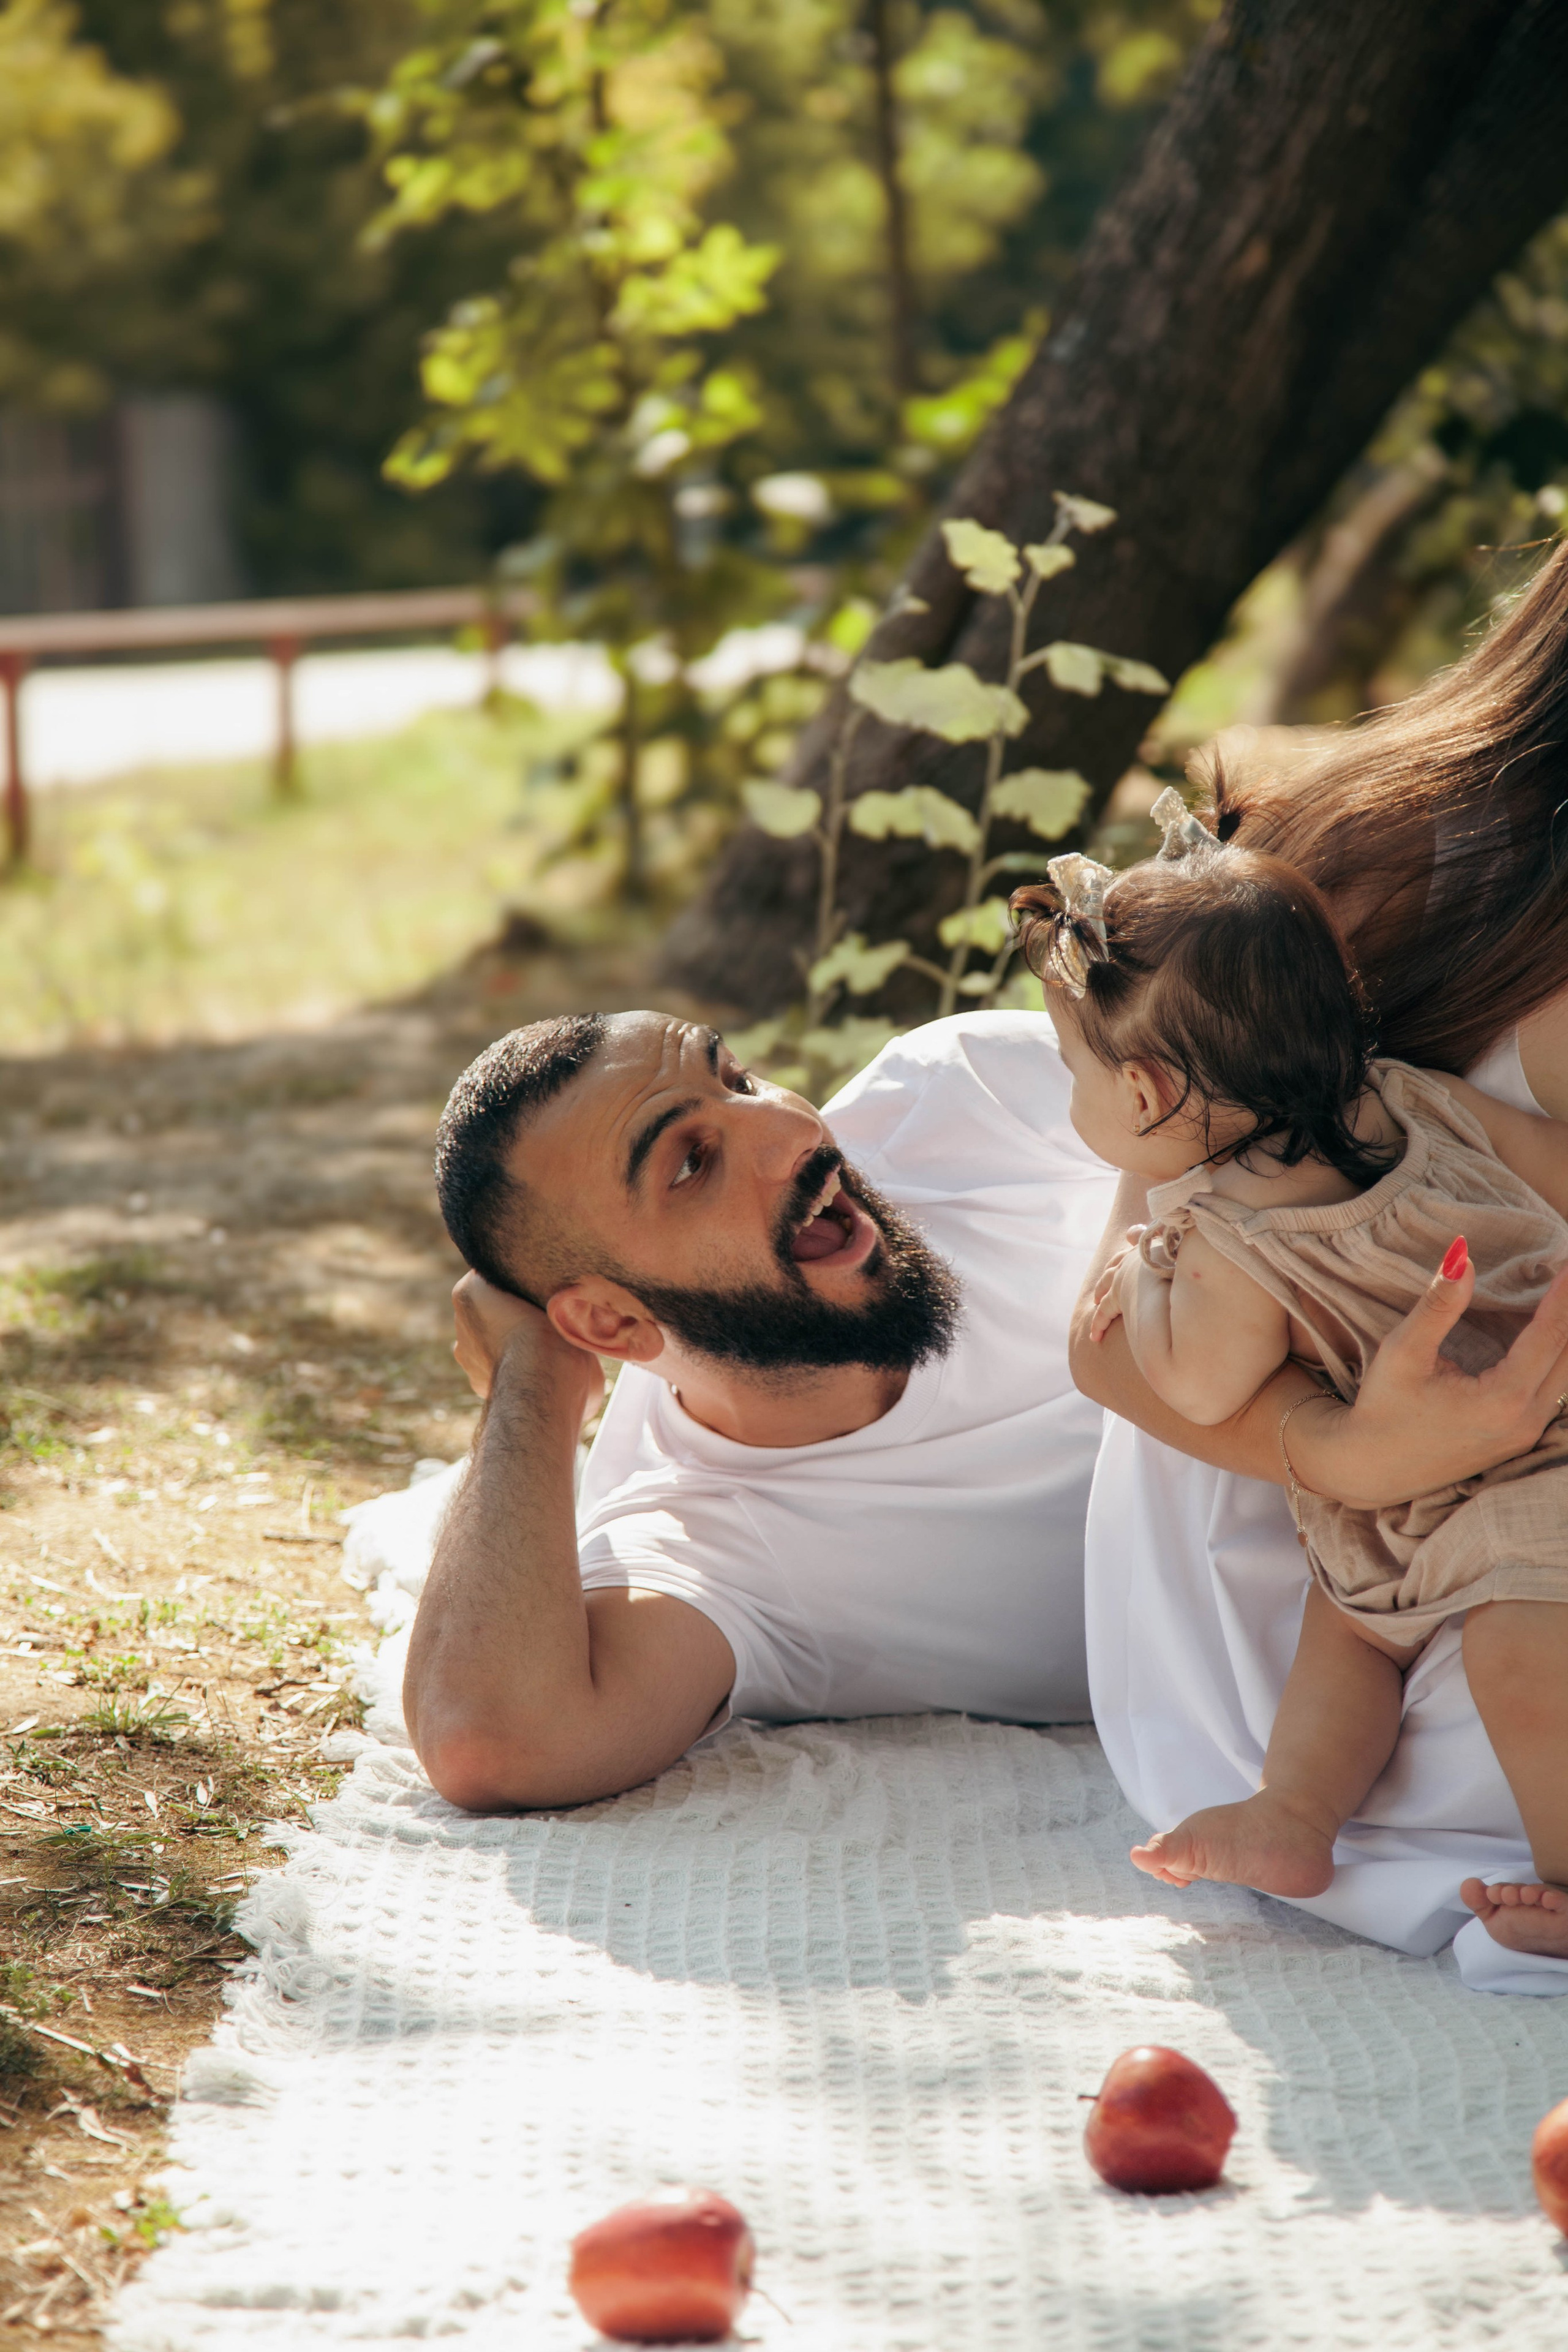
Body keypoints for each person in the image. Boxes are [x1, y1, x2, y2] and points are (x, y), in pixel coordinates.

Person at [405, 990, 1568, 1845]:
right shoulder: (710, 1542)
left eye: (738, 1075)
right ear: (607, 1323)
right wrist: (534, 1389)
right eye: (693, 1163)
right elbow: (492, 1739)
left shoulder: (957, 1097)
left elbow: (1323, 1117)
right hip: (1413, 1633)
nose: (790, 1133)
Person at [1074, 540, 1568, 1995]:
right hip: (1281, 1504)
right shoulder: (1350, 869)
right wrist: (1348, 1452)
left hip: (1487, 1487)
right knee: (1478, 1648)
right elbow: (1105, 1344)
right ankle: (1328, 1816)